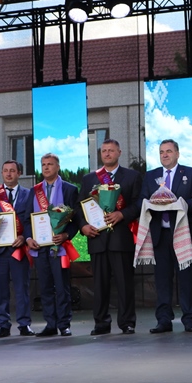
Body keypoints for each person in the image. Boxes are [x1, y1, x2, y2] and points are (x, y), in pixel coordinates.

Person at [79, 139, 142, 335]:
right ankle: (101, 323)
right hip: (96, 238)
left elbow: (139, 204)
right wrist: (83, 226)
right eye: (104, 151)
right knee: (99, 285)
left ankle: (127, 322)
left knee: (125, 284)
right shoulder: (89, 179)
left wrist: (122, 214)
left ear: (119, 153)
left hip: (121, 238)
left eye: (111, 150)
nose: (107, 154)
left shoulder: (132, 176)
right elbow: (79, 207)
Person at [141, 139, 192, 333]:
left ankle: (189, 320)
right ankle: (163, 320)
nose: (165, 155)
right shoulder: (150, 176)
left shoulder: (190, 173)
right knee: (162, 280)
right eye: (161, 152)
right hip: (160, 235)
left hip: (184, 234)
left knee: (186, 279)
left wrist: (179, 204)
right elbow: (142, 200)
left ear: (177, 153)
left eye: (169, 151)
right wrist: (152, 204)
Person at [25, 153, 80, 336]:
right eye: (43, 165)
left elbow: (76, 219)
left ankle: (64, 324)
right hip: (39, 247)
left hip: (60, 246)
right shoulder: (34, 191)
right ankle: (50, 324)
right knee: (45, 287)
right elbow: (27, 219)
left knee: (62, 286)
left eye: (50, 164)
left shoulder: (70, 189)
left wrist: (66, 234)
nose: (46, 167)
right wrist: (28, 238)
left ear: (58, 166)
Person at [0, 160, 34, 337]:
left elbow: (30, 219)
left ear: (19, 173)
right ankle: (3, 325)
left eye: (12, 171)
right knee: (1, 289)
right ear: (2, 173)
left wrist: (24, 236)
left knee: (22, 289)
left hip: (19, 249)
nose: (8, 174)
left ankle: (24, 324)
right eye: (5, 171)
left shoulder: (29, 194)